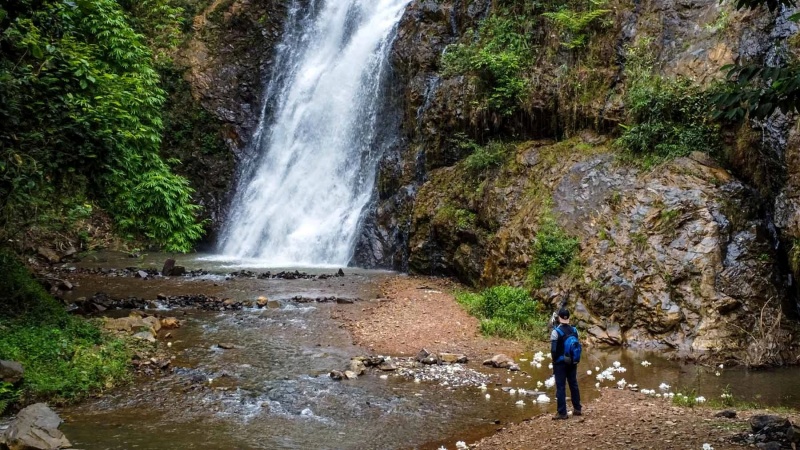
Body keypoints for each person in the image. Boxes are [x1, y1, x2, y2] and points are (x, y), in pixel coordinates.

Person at [551, 307, 582, 419]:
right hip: (573, 362)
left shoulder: (556, 332)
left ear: (559, 318)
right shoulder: (574, 330)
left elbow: (554, 350)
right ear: (568, 317)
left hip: (560, 363)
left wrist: (554, 361)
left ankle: (562, 413)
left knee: (561, 387)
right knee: (573, 384)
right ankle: (577, 409)